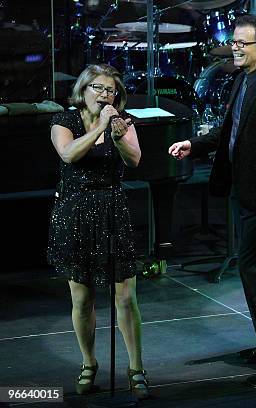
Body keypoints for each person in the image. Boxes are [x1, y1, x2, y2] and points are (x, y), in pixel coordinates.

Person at [168, 15, 256, 363]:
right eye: (233, 42)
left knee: (254, 266)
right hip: (243, 188)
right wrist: (194, 144)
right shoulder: (241, 81)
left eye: (241, 43)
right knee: (254, 266)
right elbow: (226, 131)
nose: (234, 48)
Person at [47, 64, 149, 398]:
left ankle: (136, 369)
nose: (105, 95)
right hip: (75, 212)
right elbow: (68, 154)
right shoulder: (64, 120)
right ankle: (89, 363)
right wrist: (100, 128)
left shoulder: (123, 120)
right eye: (98, 88)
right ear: (84, 89)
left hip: (112, 210)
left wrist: (118, 136)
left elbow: (134, 160)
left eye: (110, 91)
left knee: (125, 296)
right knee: (83, 296)